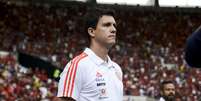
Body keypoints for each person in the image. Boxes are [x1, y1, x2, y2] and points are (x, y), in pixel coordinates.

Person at [57, 7, 123, 101]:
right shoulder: (78, 65)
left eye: (114, 25)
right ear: (92, 32)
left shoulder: (117, 69)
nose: (113, 29)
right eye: (107, 25)